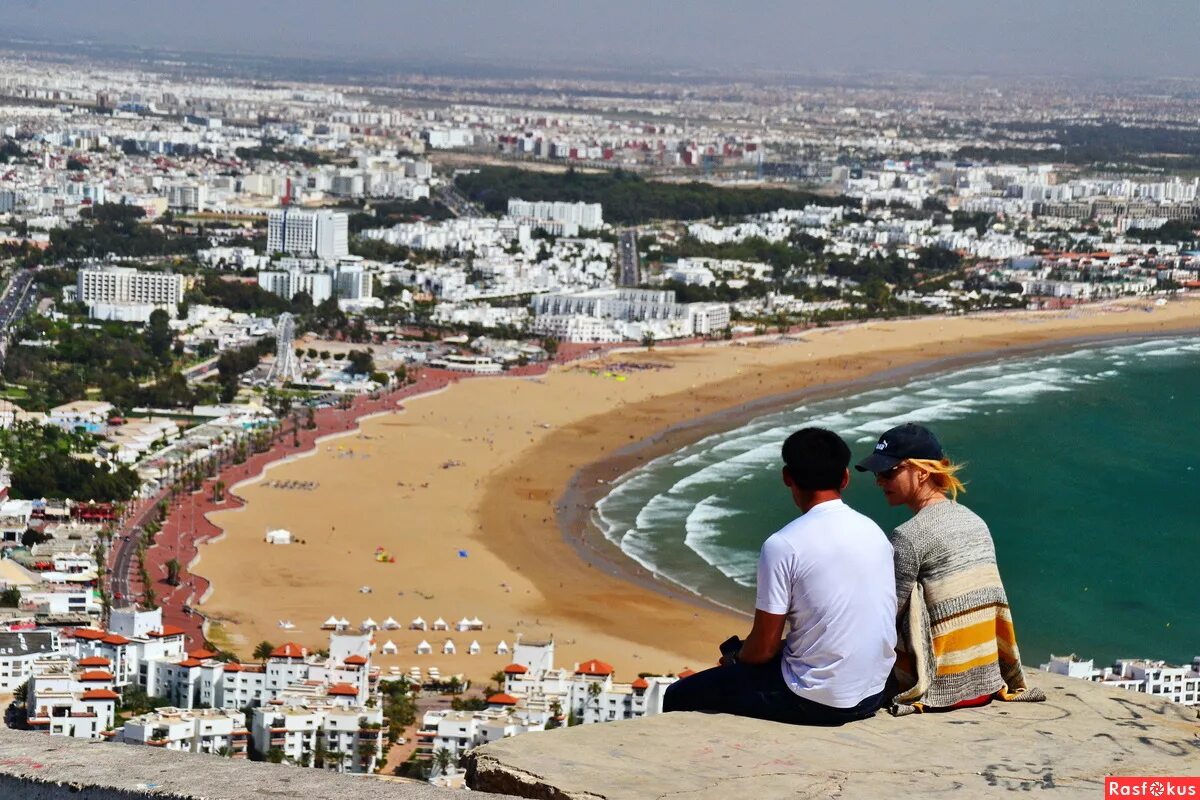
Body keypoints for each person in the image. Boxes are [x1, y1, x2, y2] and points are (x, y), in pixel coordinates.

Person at [663, 428, 897, 725]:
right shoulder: (874, 532)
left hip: (818, 702)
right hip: (874, 690)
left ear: (787, 477)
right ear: (845, 478)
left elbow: (763, 648)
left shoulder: (783, 545)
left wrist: (736, 660)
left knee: (678, 694)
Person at [856, 422, 1045, 715]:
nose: (879, 481)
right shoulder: (975, 521)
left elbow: (885, 618)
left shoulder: (908, 536)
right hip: (985, 683)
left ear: (922, 471)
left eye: (889, 472)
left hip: (937, 688)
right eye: (878, 474)